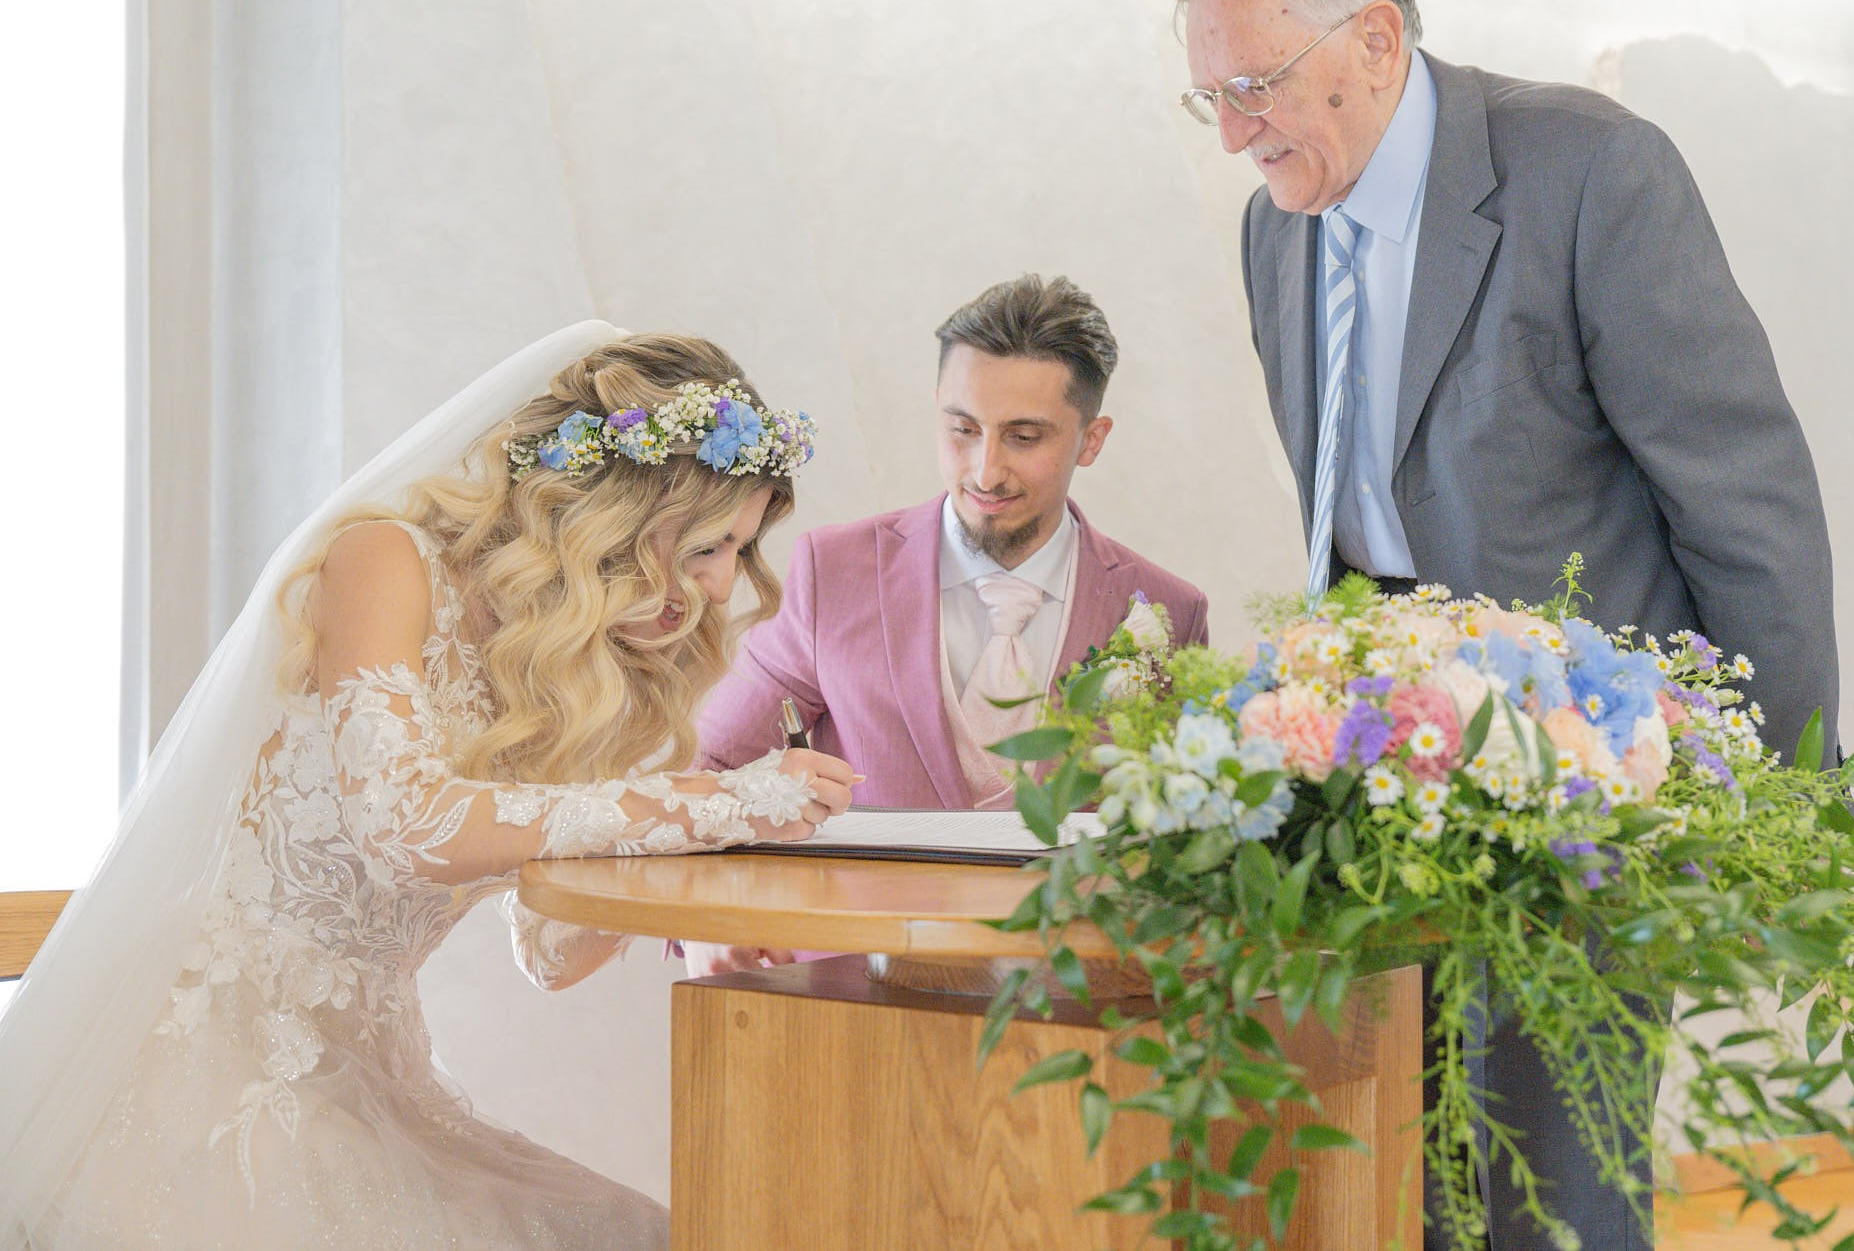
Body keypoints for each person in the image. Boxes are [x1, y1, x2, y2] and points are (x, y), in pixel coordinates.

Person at [1174, 0, 1840, 1249]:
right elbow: (1359, 508)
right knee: (1387, 1164)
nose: (1239, 133)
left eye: (1254, 88)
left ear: (1372, 39)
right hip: (1377, 752)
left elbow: (1744, 495)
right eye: (1211, 104)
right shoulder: (1275, 230)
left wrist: (1782, 798)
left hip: (1584, 757)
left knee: (1550, 1175)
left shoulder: (1589, 172)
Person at [0, 324, 854, 1248]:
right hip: (203, 1069)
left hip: (369, 1077)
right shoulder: (383, 562)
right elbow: (404, 824)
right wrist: (707, 802)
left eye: (739, 549)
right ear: (617, 508)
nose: (726, 587)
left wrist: (709, 852)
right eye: (704, 547)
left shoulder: (571, 672)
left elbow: (552, 951)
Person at [683, 274, 1207, 974]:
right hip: (846, 999)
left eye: (1024, 436)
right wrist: (706, 925)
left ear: (1092, 437)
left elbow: (1183, 844)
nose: (985, 469)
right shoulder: (832, 570)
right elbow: (713, 769)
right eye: (962, 429)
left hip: (1072, 1015)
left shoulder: (1167, 613)